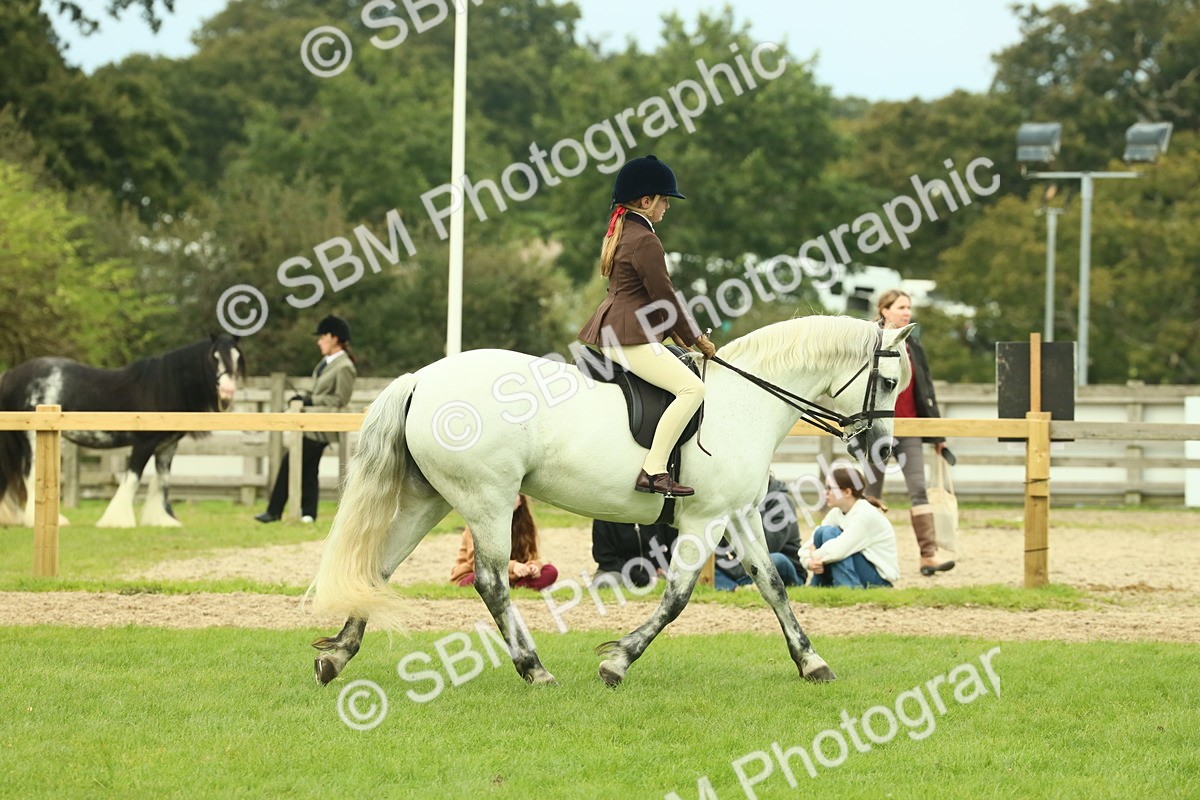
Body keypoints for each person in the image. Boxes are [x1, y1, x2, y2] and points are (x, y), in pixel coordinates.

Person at [577, 154, 717, 497]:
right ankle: (654, 470)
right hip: (628, 336)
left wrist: (673, 335)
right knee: (692, 390)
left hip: (619, 329)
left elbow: (647, 298)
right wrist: (697, 338)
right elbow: (665, 296)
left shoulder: (625, 231)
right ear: (646, 201)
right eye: (664, 200)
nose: (666, 207)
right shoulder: (645, 240)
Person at [865, 289, 956, 576]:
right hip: (876, 429)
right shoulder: (868, 342)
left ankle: (928, 556)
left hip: (910, 427)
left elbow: (925, 391)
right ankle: (867, 557)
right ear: (884, 310)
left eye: (908, 307)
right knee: (871, 494)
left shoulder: (913, 345)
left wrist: (937, 435)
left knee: (919, 490)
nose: (907, 312)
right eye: (901, 307)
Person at [255, 315, 358, 524]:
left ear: (334, 338)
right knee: (309, 469)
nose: (318, 342)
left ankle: (275, 511)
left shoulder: (344, 366)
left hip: (322, 426)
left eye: (322, 337)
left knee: (291, 463)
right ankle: (308, 513)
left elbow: (340, 399)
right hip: (311, 424)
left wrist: (310, 400)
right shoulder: (325, 364)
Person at [800, 467, 899, 589]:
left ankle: (849, 587)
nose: (825, 493)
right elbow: (808, 545)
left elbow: (838, 551)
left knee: (830, 534)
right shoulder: (836, 513)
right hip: (857, 567)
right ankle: (820, 586)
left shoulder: (865, 513)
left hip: (879, 580)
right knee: (820, 533)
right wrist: (809, 562)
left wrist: (814, 555)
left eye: (830, 488)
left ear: (847, 492)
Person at [714, 475, 808, 591]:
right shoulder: (736, 504)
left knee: (777, 560)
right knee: (706, 564)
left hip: (781, 569)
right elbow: (717, 545)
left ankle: (731, 586)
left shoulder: (782, 503)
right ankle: (739, 587)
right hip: (743, 569)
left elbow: (765, 549)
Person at [450, 494, 559, 591]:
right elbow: (478, 563)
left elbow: (532, 557)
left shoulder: (526, 526)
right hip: (479, 575)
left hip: (512, 577)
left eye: (513, 494)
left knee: (550, 571)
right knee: (483, 577)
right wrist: (512, 566)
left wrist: (533, 567)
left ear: (521, 500)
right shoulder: (478, 523)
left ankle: (513, 589)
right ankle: (510, 589)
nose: (508, 499)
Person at [590, 519, 677, 588]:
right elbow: (605, 557)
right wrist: (641, 578)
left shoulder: (660, 511)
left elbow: (675, 548)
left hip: (657, 573)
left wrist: (666, 567)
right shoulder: (603, 516)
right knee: (604, 583)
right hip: (619, 572)